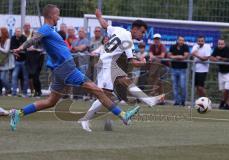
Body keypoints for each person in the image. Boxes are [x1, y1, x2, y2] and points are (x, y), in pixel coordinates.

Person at [9, 4, 140, 131]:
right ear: (51, 15)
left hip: (59, 69)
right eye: (57, 15)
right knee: (99, 92)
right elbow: (34, 38)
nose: (59, 18)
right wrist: (21, 47)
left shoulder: (49, 30)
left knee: (50, 101)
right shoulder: (46, 28)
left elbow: (36, 39)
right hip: (66, 68)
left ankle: (18, 113)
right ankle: (124, 116)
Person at [80, 9, 163, 132]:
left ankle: (148, 101)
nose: (143, 35)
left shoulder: (119, 30)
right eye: (142, 32)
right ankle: (86, 119)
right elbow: (133, 62)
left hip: (108, 64)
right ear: (134, 29)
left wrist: (99, 16)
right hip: (106, 65)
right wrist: (143, 63)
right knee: (105, 96)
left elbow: (104, 25)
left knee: (120, 87)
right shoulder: (128, 41)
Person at [210, 39, 229, 110]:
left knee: (227, 89)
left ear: (224, 44)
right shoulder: (216, 49)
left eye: (222, 44)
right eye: (219, 44)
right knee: (223, 90)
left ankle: (222, 102)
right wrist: (215, 59)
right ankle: (228, 105)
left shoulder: (228, 49)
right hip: (221, 72)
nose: (220, 45)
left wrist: (220, 58)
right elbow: (211, 57)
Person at [169, 36, 189, 106]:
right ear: (177, 40)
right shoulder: (173, 46)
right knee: (175, 86)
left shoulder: (186, 47)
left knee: (183, 86)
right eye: (180, 40)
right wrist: (179, 56)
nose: (181, 41)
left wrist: (176, 57)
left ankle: (183, 101)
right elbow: (170, 56)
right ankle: (177, 101)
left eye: (182, 40)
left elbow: (185, 56)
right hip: (174, 69)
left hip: (183, 69)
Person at [10, 28, 28, 97]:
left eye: (19, 31)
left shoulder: (24, 38)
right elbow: (11, 49)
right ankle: (14, 93)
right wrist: (15, 52)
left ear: (21, 32)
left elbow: (25, 50)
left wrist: (16, 51)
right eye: (16, 31)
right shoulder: (13, 38)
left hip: (24, 61)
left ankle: (25, 93)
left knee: (25, 77)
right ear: (15, 32)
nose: (17, 33)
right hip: (16, 61)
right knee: (14, 76)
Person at [25, 31, 44, 97]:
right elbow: (27, 48)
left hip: (38, 60)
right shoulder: (29, 41)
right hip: (31, 60)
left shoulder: (40, 41)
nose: (34, 35)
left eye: (36, 34)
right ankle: (36, 91)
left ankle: (39, 91)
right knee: (32, 77)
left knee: (36, 76)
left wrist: (34, 49)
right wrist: (34, 49)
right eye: (33, 34)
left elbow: (41, 50)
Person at [0, 27, 13, 95]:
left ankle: (9, 89)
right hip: (0, 61)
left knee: (2, 78)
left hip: (5, 61)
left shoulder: (8, 40)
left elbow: (6, 50)